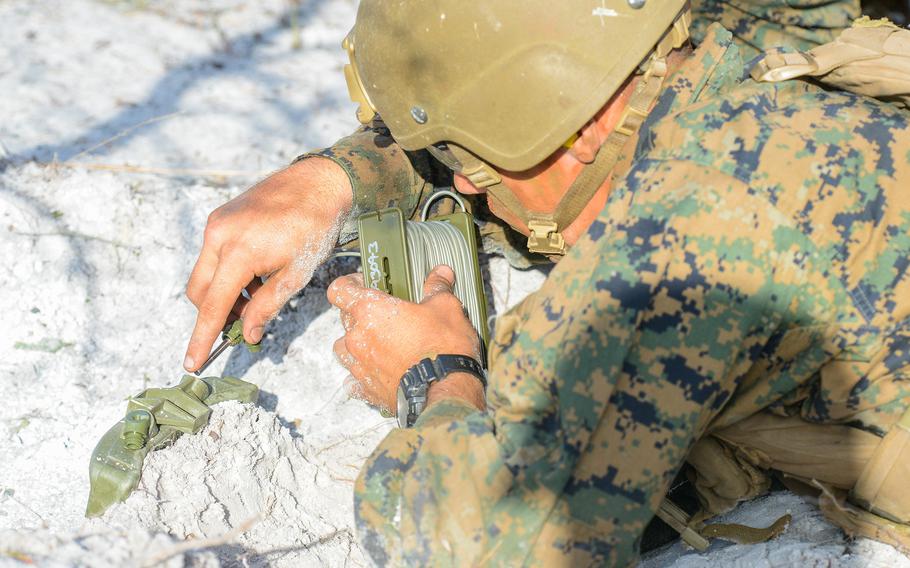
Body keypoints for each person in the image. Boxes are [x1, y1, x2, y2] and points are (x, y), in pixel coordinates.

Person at [183, 0, 910, 565]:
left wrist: (436, 378)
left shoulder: (695, 223)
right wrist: (337, 176)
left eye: (465, 159)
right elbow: (538, 151)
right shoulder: (715, 43)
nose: (463, 181)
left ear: (580, 128)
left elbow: (491, 543)